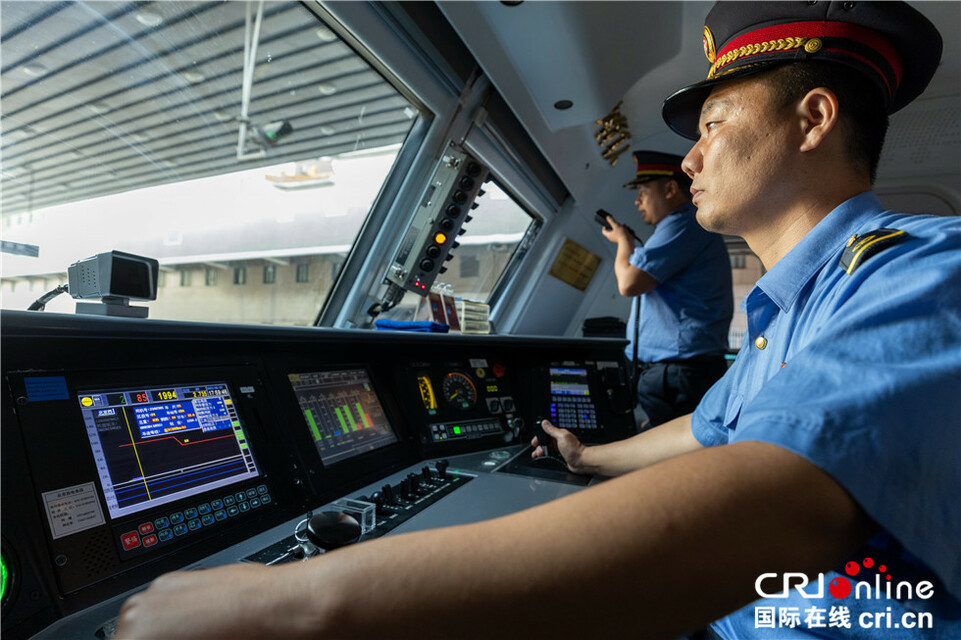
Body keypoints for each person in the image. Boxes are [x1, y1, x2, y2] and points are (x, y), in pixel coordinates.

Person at [115, 3, 959, 639]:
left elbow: (773, 507)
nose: (692, 157)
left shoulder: (925, 271)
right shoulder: (793, 308)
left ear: (813, 120)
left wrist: (296, 602)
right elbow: (710, 430)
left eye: (712, 125)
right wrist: (588, 458)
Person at [603, 150, 733, 428]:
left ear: (671, 189)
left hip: (679, 372)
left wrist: (624, 243)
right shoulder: (677, 228)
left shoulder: (682, 224)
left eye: (643, 191)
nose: (637, 200)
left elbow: (629, 283)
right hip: (675, 372)